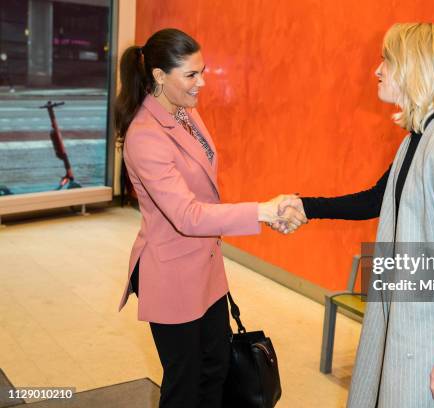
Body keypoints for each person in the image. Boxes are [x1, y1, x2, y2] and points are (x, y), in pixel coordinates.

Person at [275, 23, 434, 407]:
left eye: (386, 60)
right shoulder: (417, 139)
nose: (377, 70)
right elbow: (378, 199)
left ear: (414, 68)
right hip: (417, 320)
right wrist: (308, 207)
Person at [114, 28, 305, 408]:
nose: (202, 82)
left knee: (216, 367)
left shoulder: (185, 112)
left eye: (203, 71)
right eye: (191, 74)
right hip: (172, 275)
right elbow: (186, 215)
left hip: (206, 266)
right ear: (157, 76)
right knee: (184, 384)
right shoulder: (145, 136)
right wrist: (263, 212)